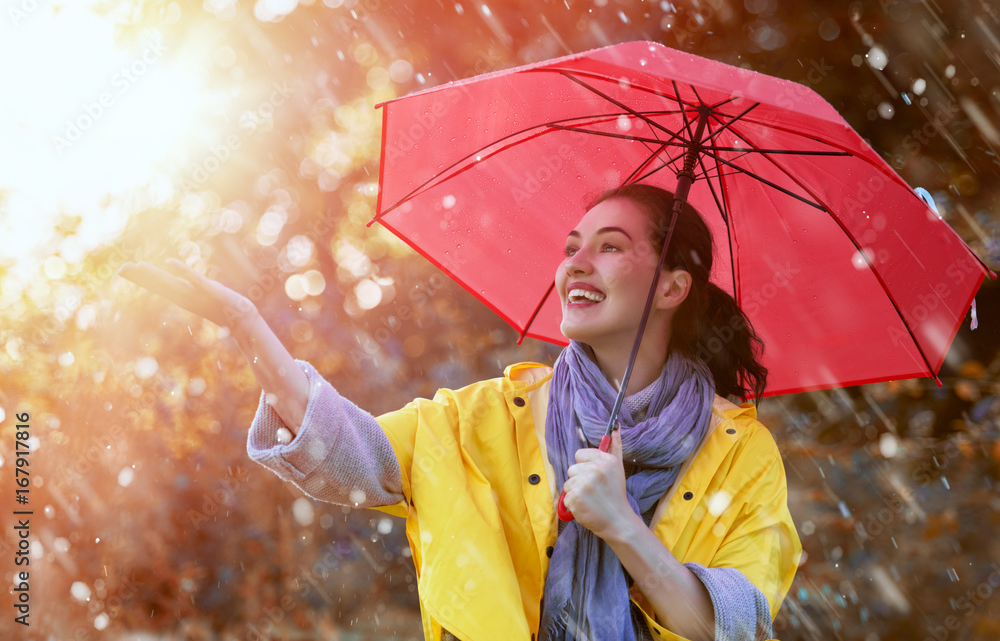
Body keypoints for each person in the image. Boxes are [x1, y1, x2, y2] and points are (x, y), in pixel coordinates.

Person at [119, 183, 801, 641]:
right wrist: (246, 327)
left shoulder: (741, 452)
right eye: (571, 247)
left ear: (674, 285)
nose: (575, 265)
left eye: (610, 246)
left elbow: (729, 626)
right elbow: (353, 457)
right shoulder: (489, 415)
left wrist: (622, 524)